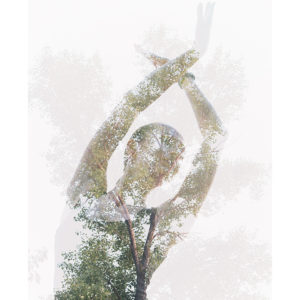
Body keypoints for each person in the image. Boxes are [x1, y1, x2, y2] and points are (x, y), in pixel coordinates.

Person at [55, 3, 226, 298]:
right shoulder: (85, 193)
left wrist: (187, 82)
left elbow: (216, 138)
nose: (172, 160)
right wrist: (188, 58)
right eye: (165, 145)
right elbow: (129, 107)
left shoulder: (159, 224)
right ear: (132, 147)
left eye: (178, 158)